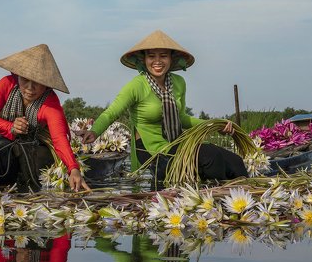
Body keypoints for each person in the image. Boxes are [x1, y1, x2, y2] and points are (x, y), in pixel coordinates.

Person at [82, 30, 247, 184]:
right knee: (210, 156)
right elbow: (111, 113)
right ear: (143, 59)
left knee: (235, 162)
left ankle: (241, 195)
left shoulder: (178, 82)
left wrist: (214, 124)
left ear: (171, 59)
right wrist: (94, 131)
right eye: (151, 56)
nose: (157, 61)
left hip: (177, 143)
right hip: (152, 152)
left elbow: (182, 118)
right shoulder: (137, 86)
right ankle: (214, 193)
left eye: (163, 56)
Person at [0, 44, 90, 192]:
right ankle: (0, 188)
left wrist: (73, 168)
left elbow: (59, 139)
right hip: (7, 139)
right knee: (0, 144)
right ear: (17, 75)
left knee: (26, 153)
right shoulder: (6, 85)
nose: (30, 88)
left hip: (37, 143)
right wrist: (10, 127)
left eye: (37, 82)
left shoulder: (50, 103)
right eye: (25, 79)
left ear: (47, 84)